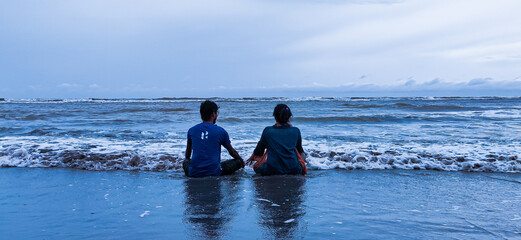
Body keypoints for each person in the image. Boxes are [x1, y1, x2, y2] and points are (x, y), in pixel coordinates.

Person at [184, 100, 244, 177]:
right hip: (214, 172)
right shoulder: (220, 131)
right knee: (237, 162)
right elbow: (232, 152)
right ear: (213, 114)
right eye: (216, 113)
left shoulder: (192, 130)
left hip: (194, 173)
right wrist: (241, 161)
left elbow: (188, 154)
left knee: (186, 162)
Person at [247, 104, 307, 175]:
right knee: (299, 154)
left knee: (257, 166)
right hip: (294, 170)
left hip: (271, 170)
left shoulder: (268, 130)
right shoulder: (296, 131)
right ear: (289, 117)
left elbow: (260, 150)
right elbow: (300, 150)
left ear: (275, 117)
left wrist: (253, 156)